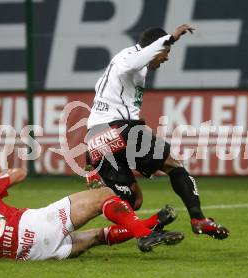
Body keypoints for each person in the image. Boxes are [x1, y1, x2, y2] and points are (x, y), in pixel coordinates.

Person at [85, 24, 229, 240]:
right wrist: (170, 39)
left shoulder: (122, 64)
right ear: (156, 48)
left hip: (95, 140)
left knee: (130, 202)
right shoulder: (129, 58)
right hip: (119, 130)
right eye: (166, 53)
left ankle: (85, 225)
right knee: (173, 165)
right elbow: (133, 63)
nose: (166, 58)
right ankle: (198, 219)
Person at [0, 168, 183, 260]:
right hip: (34, 228)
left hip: (32, 255)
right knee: (104, 195)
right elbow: (19, 173)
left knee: (98, 236)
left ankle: (153, 223)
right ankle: (143, 233)